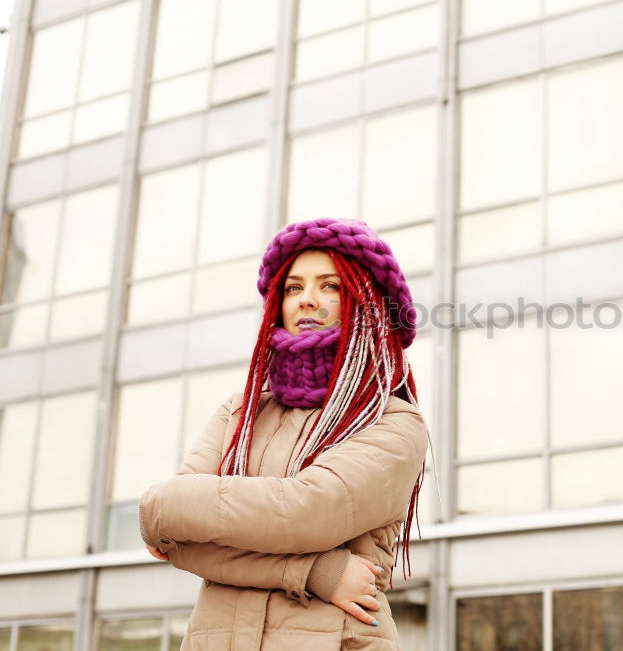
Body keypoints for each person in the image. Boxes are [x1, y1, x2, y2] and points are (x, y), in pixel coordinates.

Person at [138, 217, 430, 650]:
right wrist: (318, 572)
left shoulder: (393, 420)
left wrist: (165, 504)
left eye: (330, 286)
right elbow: (178, 542)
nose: (307, 301)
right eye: (294, 288)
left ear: (368, 304)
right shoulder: (242, 409)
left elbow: (305, 513)